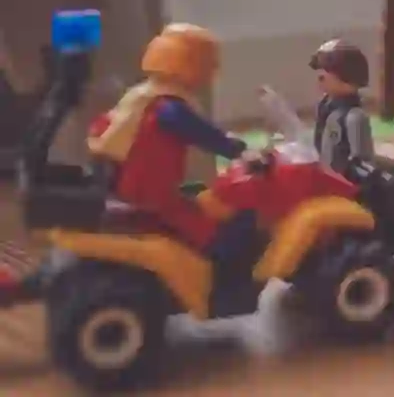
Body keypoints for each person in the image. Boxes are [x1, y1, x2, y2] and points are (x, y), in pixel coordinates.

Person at [87, 24, 265, 314]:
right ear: (189, 64)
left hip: (133, 188)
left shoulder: (141, 96)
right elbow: (205, 135)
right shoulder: (170, 108)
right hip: (152, 197)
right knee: (225, 235)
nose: (211, 72)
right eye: (208, 64)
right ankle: (224, 294)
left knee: (202, 194)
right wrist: (240, 150)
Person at [309, 39, 376, 173]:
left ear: (348, 76)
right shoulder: (324, 107)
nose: (320, 76)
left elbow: (363, 164)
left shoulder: (354, 117)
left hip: (342, 183)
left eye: (327, 70)